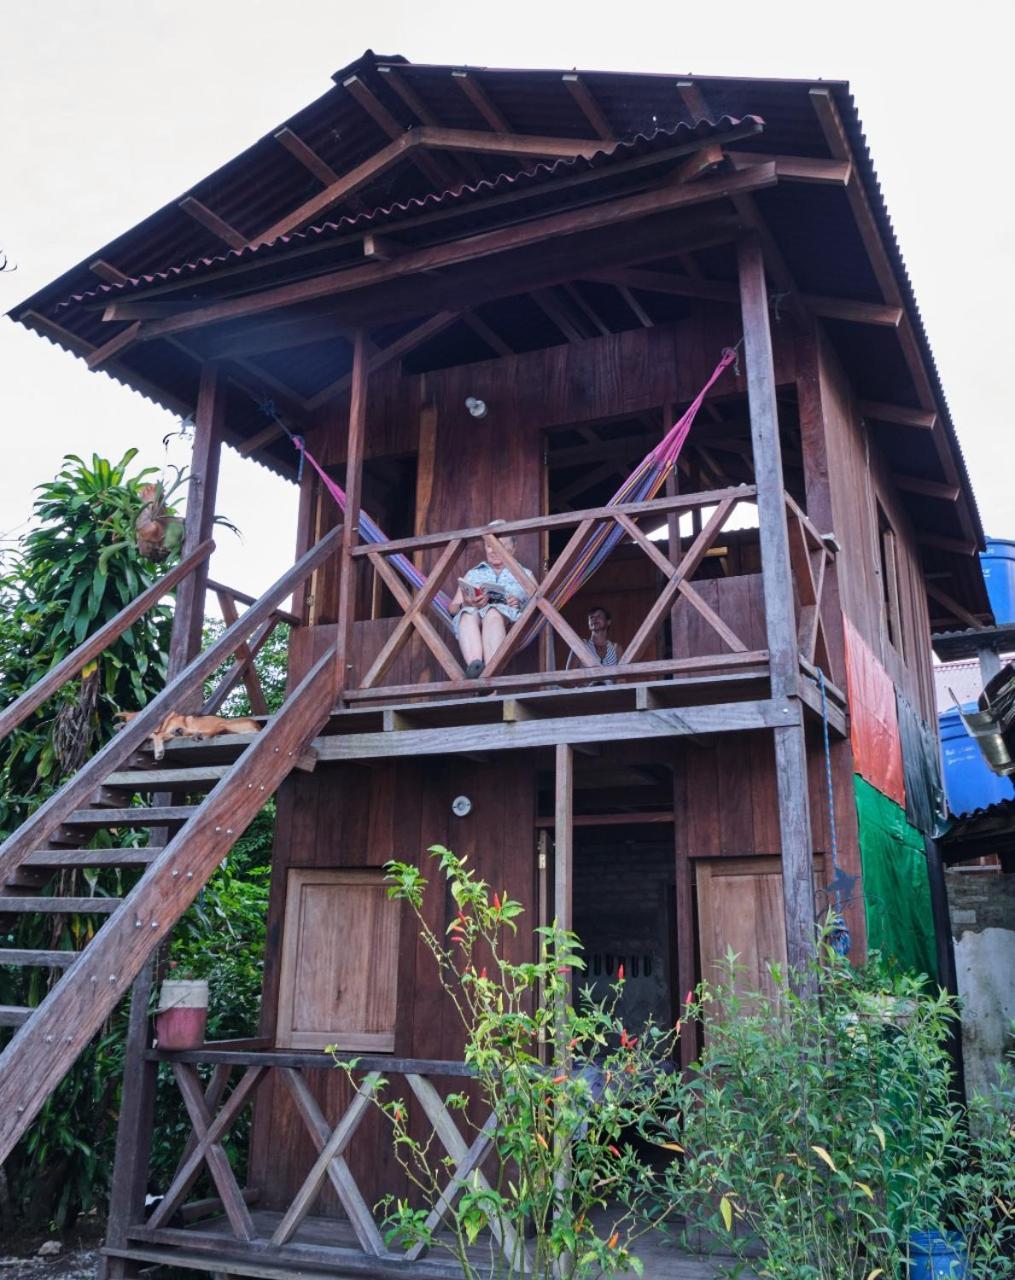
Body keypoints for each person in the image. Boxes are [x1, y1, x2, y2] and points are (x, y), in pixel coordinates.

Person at [449, 525, 535, 679]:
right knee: (467, 613)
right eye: (489, 545)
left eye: (499, 546)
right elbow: (452, 608)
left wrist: (520, 605)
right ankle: (475, 665)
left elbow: (539, 605)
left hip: (505, 619)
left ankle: (489, 674)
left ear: (513, 548)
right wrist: (467, 604)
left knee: (493, 612)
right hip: (474, 615)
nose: (493, 550)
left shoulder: (525, 574)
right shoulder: (473, 573)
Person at [565, 606, 620, 680]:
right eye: (591, 618)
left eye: (598, 616)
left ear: (608, 622)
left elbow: (621, 678)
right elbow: (568, 675)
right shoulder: (581, 645)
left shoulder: (616, 648)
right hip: (586, 690)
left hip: (611, 690)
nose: (594, 619)